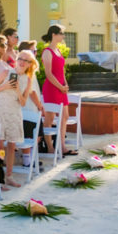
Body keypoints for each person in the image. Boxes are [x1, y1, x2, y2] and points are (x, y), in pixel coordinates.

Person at [0, 36, 28, 187]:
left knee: (11, 146)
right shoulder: (6, 72)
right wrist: (4, 87)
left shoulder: (27, 79)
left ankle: (9, 176)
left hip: (15, 112)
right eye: (20, 58)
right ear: (17, 59)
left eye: (26, 60)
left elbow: (23, 102)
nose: (22, 62)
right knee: (0, 147)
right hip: (0, 110)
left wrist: (18, 89)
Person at [40, 24, 74, 155]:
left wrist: (65, 84)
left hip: (61, 88)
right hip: (52, 89)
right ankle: (50, 147)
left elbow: (61, 71)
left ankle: (62, 146)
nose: (63, 36)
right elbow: (49, 74)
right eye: (61, 33)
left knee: (65, 116)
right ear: (54, 35)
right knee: (49, 118)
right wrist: (60, 87)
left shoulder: (58, 50)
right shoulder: (47, 52)